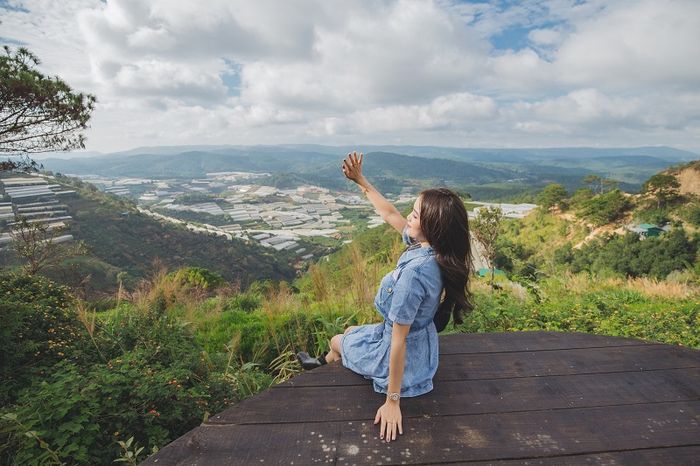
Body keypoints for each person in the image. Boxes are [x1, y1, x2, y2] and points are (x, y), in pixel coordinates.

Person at [296, 151, 473, 443]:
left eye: (415, 214)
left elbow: (399, 341)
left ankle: (322, 364)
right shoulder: (434, 250)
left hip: (402, 356)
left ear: (433, 226)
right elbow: (389, 214)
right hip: (420, 344)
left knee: (337, 341)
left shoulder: (414, 275)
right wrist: (360, 180)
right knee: (352, 331)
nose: (409, 216)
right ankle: (323, 363)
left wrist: (393, 401)